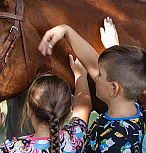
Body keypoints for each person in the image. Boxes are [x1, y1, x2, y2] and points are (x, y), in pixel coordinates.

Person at [38, 19, 146, 152]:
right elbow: (93, 65)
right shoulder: (134, 107)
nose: (95, 76)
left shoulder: (117, 144)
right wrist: (66, 31)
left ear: (114, 89)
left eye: (100, 75)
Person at [0, 53, 92, 153]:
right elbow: (83, 107)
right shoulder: (76, 137)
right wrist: (81, 75)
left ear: (29, 109)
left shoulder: (14, 148)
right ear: (69, 111)